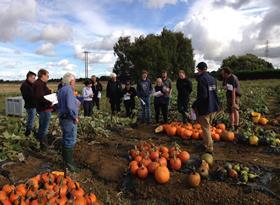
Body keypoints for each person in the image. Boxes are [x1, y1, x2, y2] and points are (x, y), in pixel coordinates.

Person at [192, 62, 219, 153]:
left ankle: (209, 147)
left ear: (199, 69)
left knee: (206, 128)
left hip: (206, 107)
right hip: (213, 106)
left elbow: (203, 96)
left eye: (197, 69)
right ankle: (206, 143)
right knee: (208, 126)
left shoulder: (202, 79)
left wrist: (195, 104)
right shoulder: (213, 78)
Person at [57, 73, 79, 172]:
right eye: (74, 81)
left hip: (63, 117)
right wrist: (75, 116)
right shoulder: (69, 90)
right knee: (70, 139)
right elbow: (70, 106)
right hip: (69, 118)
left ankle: (66, 162)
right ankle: (69, 165)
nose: (75, 83)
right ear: (71, 81)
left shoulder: (61, 90)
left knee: (66, 138)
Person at [33, 69, 52, 151]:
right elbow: (40, 98)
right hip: (44, 109)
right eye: (47, 76)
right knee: (44, 128)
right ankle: (44, 147)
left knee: (42, 127)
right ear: (43, 75)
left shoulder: (40, 84)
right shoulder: (39, 84)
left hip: (44, 108)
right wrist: (51, 101)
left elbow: (42, 96)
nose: (48, 77)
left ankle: (41, 145)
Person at [20, 71, 37, 136]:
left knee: (31, 119)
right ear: (29, 77)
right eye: (33, 78)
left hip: (33, 105)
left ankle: (29, 130)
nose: (34, 79)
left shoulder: (30, 84)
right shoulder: (25, 85)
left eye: (35, 78)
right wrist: (36, 95)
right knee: (31, 120)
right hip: (30, 105)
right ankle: (28, 133)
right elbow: (27, 97)